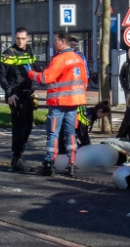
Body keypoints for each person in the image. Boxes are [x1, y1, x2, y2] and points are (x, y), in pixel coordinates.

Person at [28, 32, 88, 177]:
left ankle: (49, 164)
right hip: (74, 104)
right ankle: (72, 165)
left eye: (55, 40)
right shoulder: (78, 59)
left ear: (62, 42)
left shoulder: (59, 59)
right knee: (71, 134)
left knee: (53, 134)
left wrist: (30, 73)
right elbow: (84, 81)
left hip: (59, 103)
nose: (53, 42)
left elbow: (44, 78)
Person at [0, 27, 36, 172]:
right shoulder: (8, 53)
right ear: (14, 38)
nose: (20, 41)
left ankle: (19, 155)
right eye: (18, 38)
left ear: (28, 38)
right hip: (15, 94)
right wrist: (9, 93)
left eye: (23, 38)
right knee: (19, 127)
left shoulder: (29, 51)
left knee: (28, 125)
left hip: (27, 94)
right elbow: (1, 75)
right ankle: (17, 157)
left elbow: (34, 69)